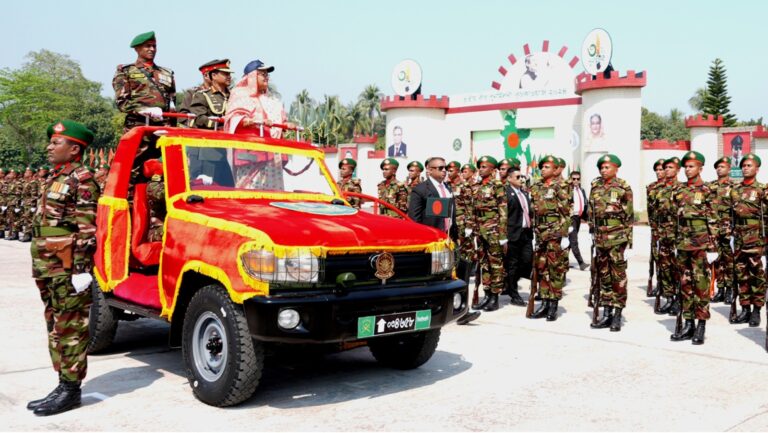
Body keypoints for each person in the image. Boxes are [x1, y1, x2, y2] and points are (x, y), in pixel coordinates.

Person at [28, 120, 100, 416]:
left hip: (68, 266)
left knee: (71, 327)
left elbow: (87, 228)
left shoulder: (82, 178)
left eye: (55, 143)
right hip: (47, 263)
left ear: (74, 149)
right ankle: (62, 382)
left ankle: (71, 390)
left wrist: (81, 270)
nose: (49, 146)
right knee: (55, 325)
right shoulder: (56, 176)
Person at [408, 157, 481, 325]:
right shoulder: (421, 190)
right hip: (433, 241)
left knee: (458, 272)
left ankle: (461, 310)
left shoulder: (447, 187)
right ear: (429, 170)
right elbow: (415, 219)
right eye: (439, 168)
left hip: (449, 238)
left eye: (445, 168)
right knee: (436, 279)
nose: (444, 171)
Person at [668, 151, 717, 344]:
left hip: (701, 243)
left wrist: (713, 247)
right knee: (685, 284)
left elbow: (713, 219)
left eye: (692, 166)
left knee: (701, 284)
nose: (688, 170)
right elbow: (675, 219)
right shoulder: (678, 190)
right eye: (686, 166)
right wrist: (674, 241)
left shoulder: (707, 190)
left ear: (700, 168)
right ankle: (688, 324)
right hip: (682, 244)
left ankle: (701, 325)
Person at [588, 154, 634, 332]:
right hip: (600, 238)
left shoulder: (623, 187)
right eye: (602, 167)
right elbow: (591, 212)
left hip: (617, 238)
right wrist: (593, 234)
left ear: (616, 169)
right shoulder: (595, 186)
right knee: (603, 276)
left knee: (618, 277)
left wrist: (629, 243)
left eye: (607, 167)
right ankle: (606, 312)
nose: (603, 170)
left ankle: (617, 314)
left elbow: (629, 217)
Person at [529, 155, 570, 321]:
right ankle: (544, 302)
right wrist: (534, 232)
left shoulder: (561, 186)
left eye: (547, 167)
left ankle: (553, 305)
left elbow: (566, 212)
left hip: (555, 233)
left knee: (555, 269)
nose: (543, 170)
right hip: (540, 233)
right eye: (542, 167)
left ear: (555, 170)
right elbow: (533, 212)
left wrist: (565, 234)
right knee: (542, 268)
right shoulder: (536, 186)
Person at [729, 153, 768, 327]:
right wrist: (730, 234)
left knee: (757, 275)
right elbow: (730, 215)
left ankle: (756, 310)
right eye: (743, 165)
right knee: (741, 274)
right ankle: (744, 308)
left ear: (757, 169)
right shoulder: (735, 189)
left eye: (749, 165)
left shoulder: (763, 189)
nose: (745, 168)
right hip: (738, 237)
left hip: (756, 237)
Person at [112, 31, 176, 131]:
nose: (152, 49)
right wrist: (143, 110)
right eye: (148, 46)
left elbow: (172, 105)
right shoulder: (126, 71)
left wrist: (173, 127)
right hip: (138, 126)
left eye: (154, 46)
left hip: (163, 127)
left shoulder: (166, 73)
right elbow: (122, 103)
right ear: (137, 49)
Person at [471, 156, 508, 312]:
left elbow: (503, 211)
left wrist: (502, 234)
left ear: (493, 170)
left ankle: (495, 297)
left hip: (493, 230)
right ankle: (486, 294)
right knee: (484, 264)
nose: (481, 169)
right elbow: (474, 210)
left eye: (484, 166)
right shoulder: (476, 186)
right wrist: (472, 229)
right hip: (480, 231)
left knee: (496, 264)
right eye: (479, 166)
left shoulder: (497, 185)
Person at [224, 59, 294, 137]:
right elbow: (234, 119)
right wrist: (256, 121)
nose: (266, 77)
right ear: (252, 76)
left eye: (267, 75)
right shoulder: (240, 93)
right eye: (263, 74)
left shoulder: (273, 97)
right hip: (247, 143)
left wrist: (286, 125)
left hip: (271, 143)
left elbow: (279, 121)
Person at [655, 157, 682, 315]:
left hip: (678, 235)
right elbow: (656, 214)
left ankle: (679, 298)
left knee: (678, 268)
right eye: (665, 168)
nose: (667, 170)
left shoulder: (682, 189)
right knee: (665, 267)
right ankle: (669, 297)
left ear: (678, 170)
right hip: (664, 234)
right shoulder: (661, 190)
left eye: (670, 167)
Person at [708, 157, 735, 304]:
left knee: (729, 261)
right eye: (717, 167)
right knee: (717, 261)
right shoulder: (709, 187)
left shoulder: (734, 187)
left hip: (728, 229)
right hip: (713, 230)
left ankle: (730, 290)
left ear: (729, 169)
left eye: (723, 167)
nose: (719, 169)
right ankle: (721, 289)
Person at [505, 166, 533, 306]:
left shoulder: (525, 193)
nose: (521, 179)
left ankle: (509, 283)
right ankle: (513, 293)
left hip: (526, 233)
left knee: (527, 260)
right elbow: (503, 216)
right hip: (513, 234)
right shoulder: (506, 193)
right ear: (509, 179)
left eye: (522, 176)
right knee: (513, 264)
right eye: (517, 177)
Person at [189, 59, 233, 130]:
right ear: (214, 75)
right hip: (212, 136)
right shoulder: (201, 96)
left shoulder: (234, 95)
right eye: (225, 74)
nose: (229, 76)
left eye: (230, 74)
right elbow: (199, 118)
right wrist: (220, 122)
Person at [646, 158, 666, 296]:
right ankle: (659, 284)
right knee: (656, 257)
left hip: (668, 228)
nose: (659, 172)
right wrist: (653, 227)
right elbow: (650, 210)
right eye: (657, 170)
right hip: (655, 228)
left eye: (661, 169)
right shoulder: (651, 187)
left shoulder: (673, 187)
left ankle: (668, 287)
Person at [569, 171, 590, 271]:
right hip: (570, 218)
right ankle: (581, 263)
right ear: (570, 179)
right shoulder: (568, 190)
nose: (576, 181)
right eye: (574, 179)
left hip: (578, 218)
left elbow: (585, 203)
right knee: (574, 241)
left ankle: (563, 262)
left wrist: (587, 217)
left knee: (569, 242)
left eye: (578, 179)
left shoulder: (582, 190)